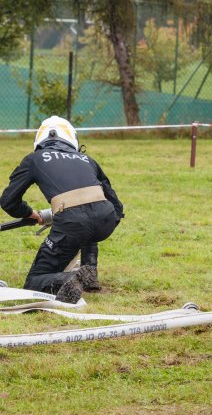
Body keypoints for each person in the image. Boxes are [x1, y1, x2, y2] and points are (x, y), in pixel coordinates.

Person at [0, 116, 123, 303]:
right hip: (105, 219)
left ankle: (70, 278)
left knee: (34, 282)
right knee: (86, 225)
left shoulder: (35, 159)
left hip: (73, 224)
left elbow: (9, 201)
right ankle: (90, 273)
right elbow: (117, 206)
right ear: (72, 139)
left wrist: (29, 213)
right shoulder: (88, 159)